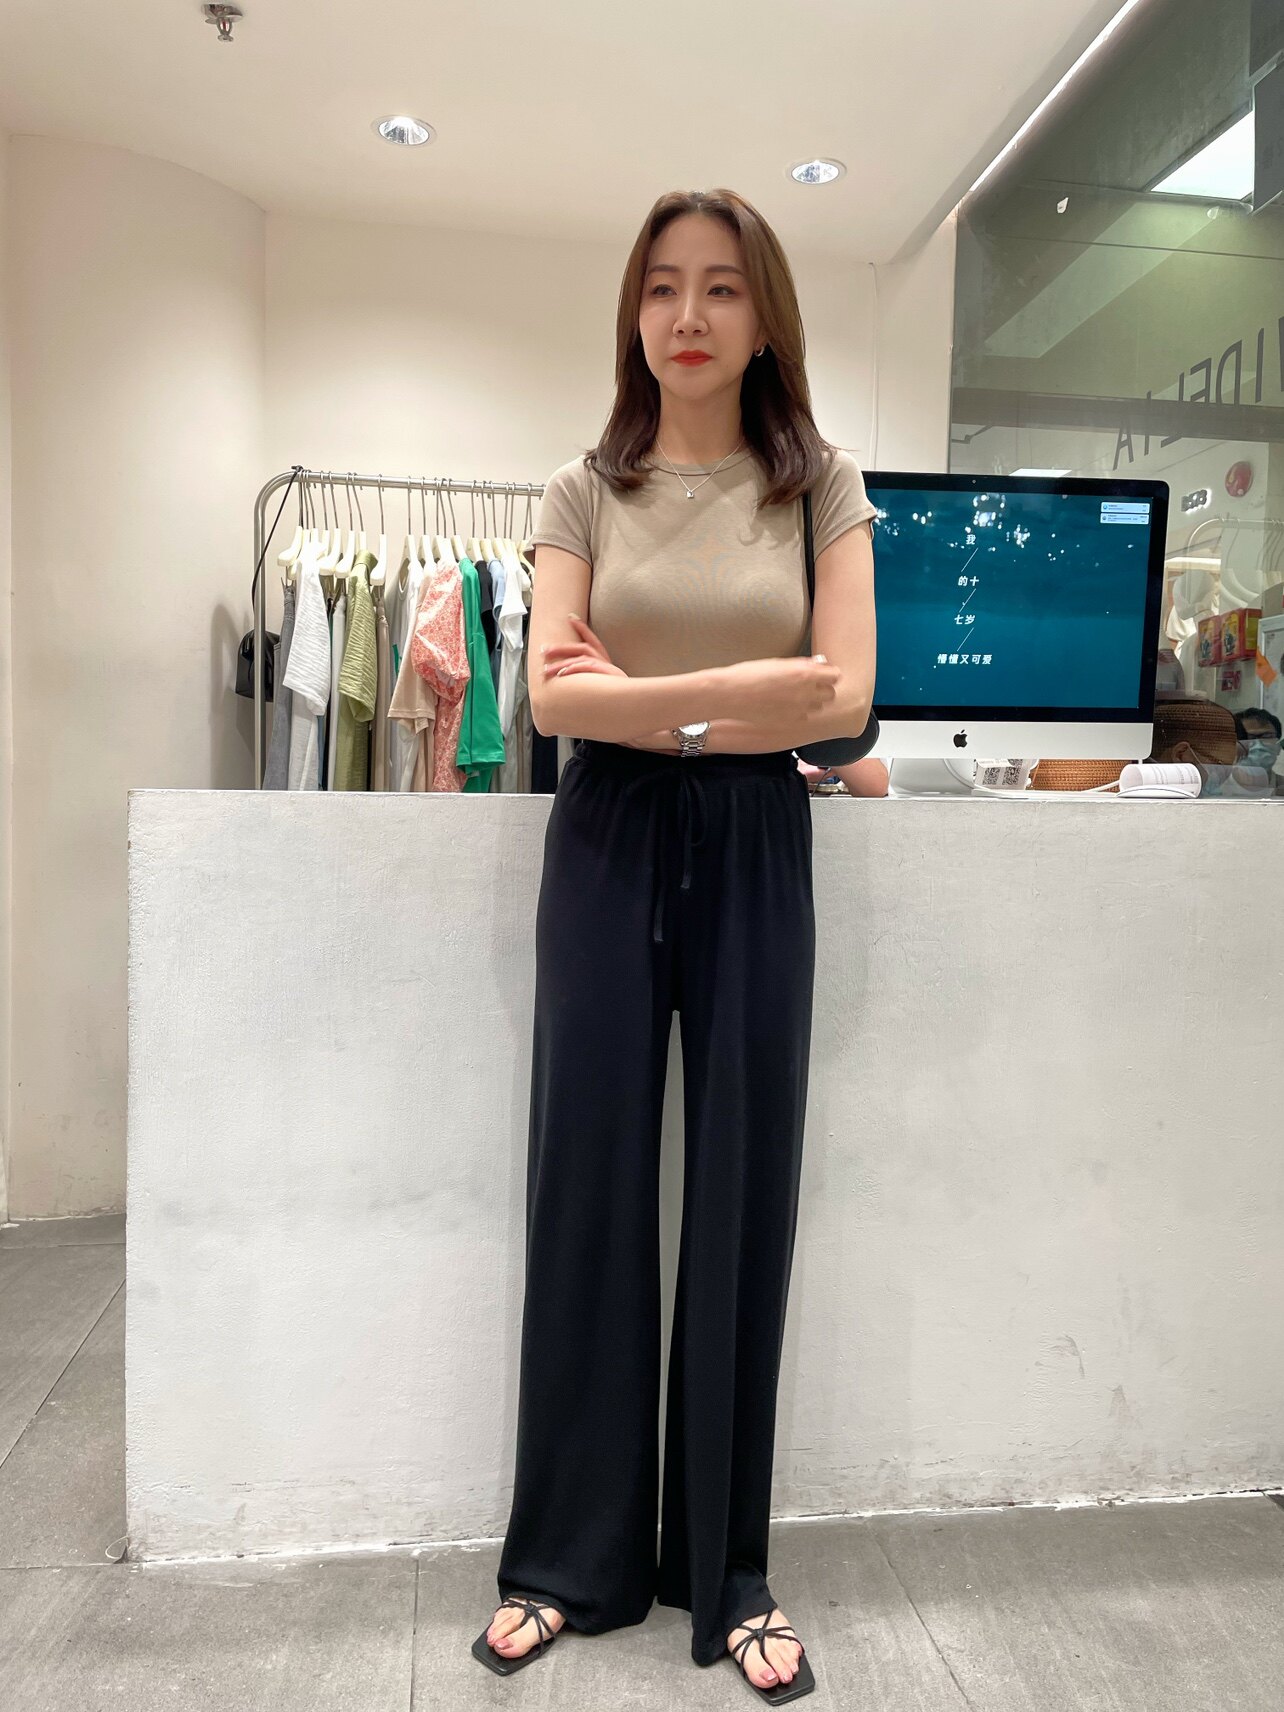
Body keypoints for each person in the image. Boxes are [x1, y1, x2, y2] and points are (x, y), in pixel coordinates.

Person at [473, 187, 877, 1698]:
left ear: (766, 315)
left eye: (720, 287)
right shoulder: (583, 489)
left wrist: (641, 698)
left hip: (759, 847)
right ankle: (564, 1561)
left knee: (742, 1191)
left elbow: (847, 702)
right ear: (632, 315)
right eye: (660, 287)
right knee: (588, 1178)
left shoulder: (821, 486)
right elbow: (548, 704)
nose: (688, 316)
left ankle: (727, 1572)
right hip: (605, 842)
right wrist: (736, 696)